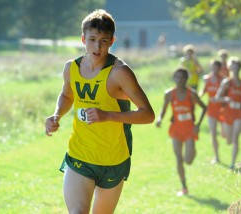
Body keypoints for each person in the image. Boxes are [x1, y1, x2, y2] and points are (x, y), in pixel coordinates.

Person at [45, 9, 155, 214]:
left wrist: (107, 116)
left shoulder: (120, 72)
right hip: (80, 155)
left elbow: (148, 114)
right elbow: (67, 95)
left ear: (112, 41)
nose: (97, 46)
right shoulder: (71, 68)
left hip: (113, 160)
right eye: (92, 39)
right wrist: (57, 114)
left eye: (104, 40)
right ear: (83, 39)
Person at [156, 68, 206, 196]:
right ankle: (184, 187)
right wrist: (160, 119)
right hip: (176, 129)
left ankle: (193, 151)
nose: (179, 79)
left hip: (189, 129)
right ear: (174, 78)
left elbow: (204, 108)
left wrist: (198, 125)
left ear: (186, 79)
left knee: (188, 160)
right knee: (178, 159)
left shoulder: (192, 94)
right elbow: (163, 109)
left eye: (182, 77)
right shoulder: (169, 94)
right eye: (177, 77)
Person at [215, 57, 241, 169]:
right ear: (230, 67)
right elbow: (217, 97)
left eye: (237, 66)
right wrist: (226, 99)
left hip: (239, 112)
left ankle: (232, 163)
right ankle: (224, 132)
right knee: (229, 140)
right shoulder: (227, 82)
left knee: (235, 138)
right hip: (228, 112)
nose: (235, 68)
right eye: (233, 66)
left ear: (239, 68)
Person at [200, 59, 224, 164]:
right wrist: (196, 97)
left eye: (216, 67)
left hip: (222, 109)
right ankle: (217, 156)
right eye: (212, 66)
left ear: (219, 68)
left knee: (225, 135)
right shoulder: (207, 79)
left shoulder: (223, 80)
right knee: (213, 134)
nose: (214, 69)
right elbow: (203, 91)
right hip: (211, 110)